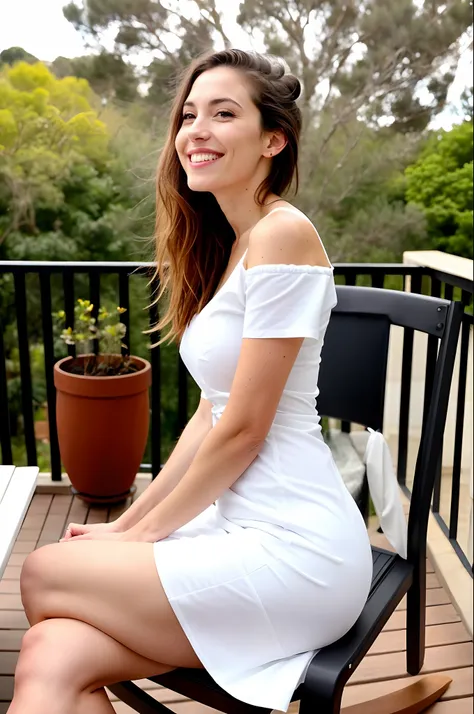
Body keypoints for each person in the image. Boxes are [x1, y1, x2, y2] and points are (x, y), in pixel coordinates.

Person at [10, 49, 373, 714]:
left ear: (273, 139)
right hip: (236, 527)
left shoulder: (283, 234)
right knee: (51, 653)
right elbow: (210, 413)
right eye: (189, 114)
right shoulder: (238, 243)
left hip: (300, 552)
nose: (195, 130)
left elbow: (242, 431)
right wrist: (131, 521)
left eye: (223, 113)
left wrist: (139, 537)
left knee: (43, 573)